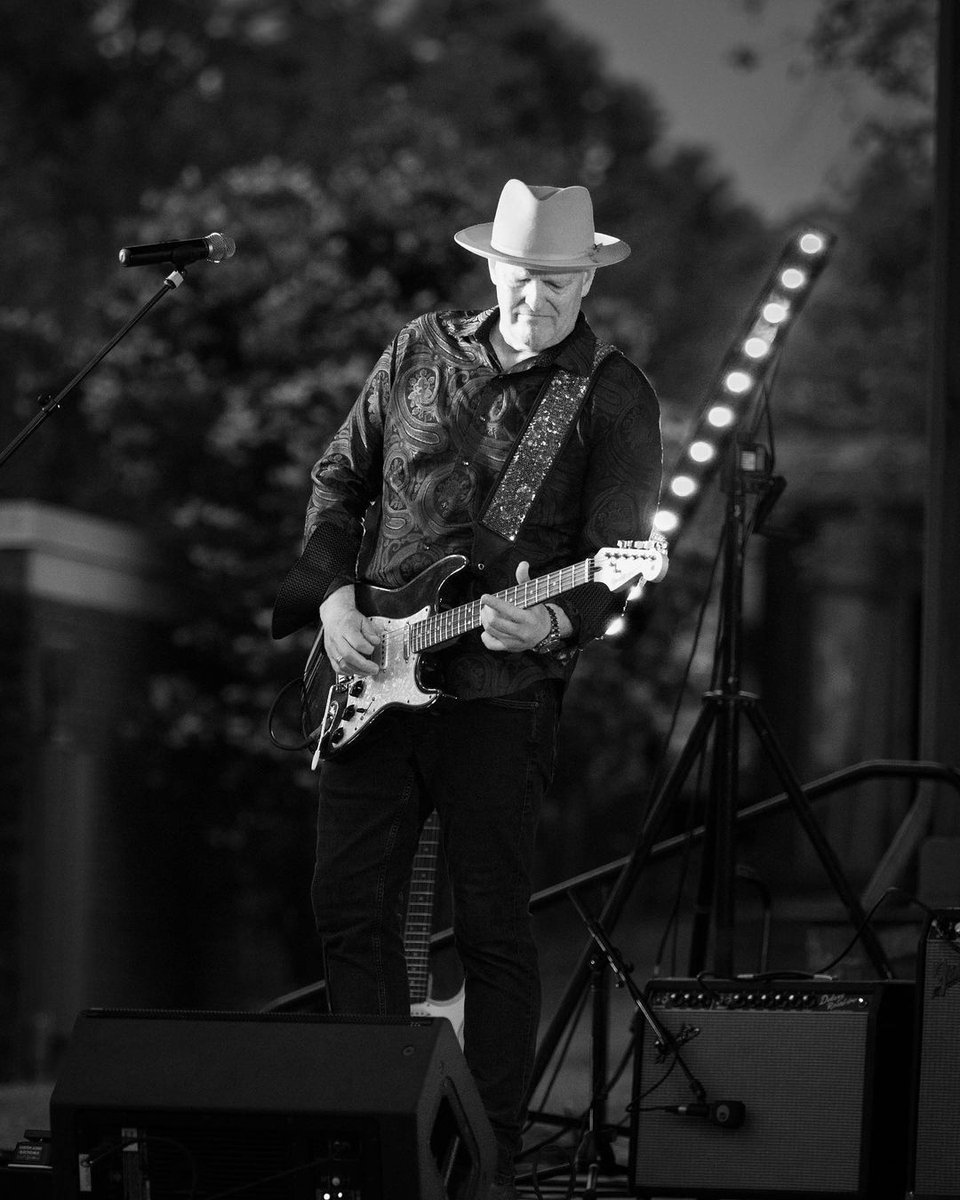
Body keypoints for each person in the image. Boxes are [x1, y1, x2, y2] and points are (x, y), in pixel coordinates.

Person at [272, 178, 662, 1198]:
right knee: (347, 906)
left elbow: (617, 559)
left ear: (588, 278)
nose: (543, 295)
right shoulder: (419, 349)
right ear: (494, 267)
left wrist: (558, 619)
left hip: (500, 692)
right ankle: (367, 1139)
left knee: (493, 925)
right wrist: (332, 605)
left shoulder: (613, 394)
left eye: (564, 281)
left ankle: (479, 1155)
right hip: (367, 672)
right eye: (527, 276)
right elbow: (336, 483)